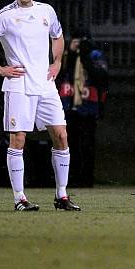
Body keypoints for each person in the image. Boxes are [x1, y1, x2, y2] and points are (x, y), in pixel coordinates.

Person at [0, 0, 80, 211]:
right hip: (19, 85)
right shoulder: (5, 16)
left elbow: (57, 36)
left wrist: (57, 62)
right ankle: (20, 198)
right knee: (18, 139)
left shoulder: (46, 10)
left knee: (61, 136)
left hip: (46, 85)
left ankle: (62, 196)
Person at [57, 29, 108, 187]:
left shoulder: (94, 55)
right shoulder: (64, 56)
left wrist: (85, 57)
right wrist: (72, 55)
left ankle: (86, 179)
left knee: (87, 146)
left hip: (88, 108)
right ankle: (70, 179)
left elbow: (102, 77)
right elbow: (58, 76)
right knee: (68, 145)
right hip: (67, 107)